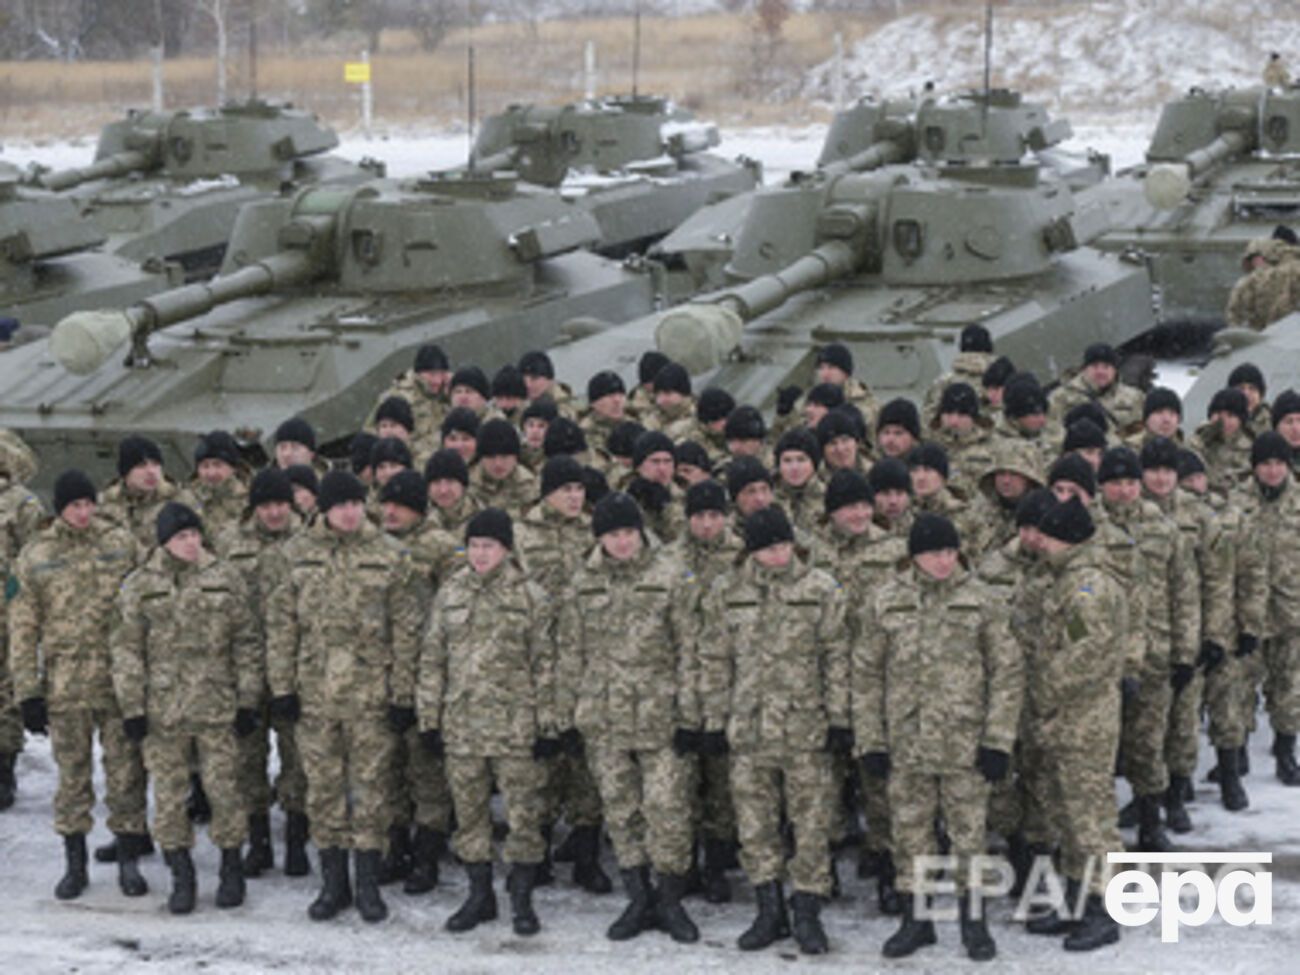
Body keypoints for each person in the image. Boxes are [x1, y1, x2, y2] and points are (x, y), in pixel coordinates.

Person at [857, 513, 1021, 961]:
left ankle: (974, 923)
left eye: (950, 552)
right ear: (914, 556)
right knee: (910, 833)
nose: (944, 561)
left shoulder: (982, 600)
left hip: (965, 744)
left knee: (969, 836)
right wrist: (871, 740)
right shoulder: (886, 601)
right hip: (907, 741)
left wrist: (998, 739)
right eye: (934, 553)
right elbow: (866, 674)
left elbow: (1006, 673)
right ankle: (917, 921)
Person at [265, 471, 427, 923]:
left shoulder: (391, 555)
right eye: (341, 505)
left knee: (372, 790)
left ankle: (368, 883)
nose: (350, 513)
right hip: (315, 695)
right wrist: (282, 688)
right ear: (324, 509)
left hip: (370, 695)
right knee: (323, 790)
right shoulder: (295, 554)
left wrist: (403, 694)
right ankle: (333, 883)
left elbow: (407, 631)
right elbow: (281, 627)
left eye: (356, 503)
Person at [700, 505, 849, 955]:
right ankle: (769, 909)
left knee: (812, 822)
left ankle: (807, 910)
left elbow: (837, 656)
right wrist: (713, 719)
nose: (779, 554)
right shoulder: (727, 591)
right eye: (768, 548)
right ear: (752, 550)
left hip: (806, 727)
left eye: (784, 545)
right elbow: (714, 659)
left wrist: (840, 718)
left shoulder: (821, 588)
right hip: (749, 727)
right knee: (755, 823)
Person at [556, 492, 701, 944]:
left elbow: (691, 648)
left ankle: (670, 898)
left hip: (661, 714)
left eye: (628, 533)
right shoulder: (583, 581)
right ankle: (638, 896)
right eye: (613, 534)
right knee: (621, 811)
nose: (622, 542)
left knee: (667, 808)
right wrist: (566, 716)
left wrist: (691, 715)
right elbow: (569, 652)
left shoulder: (672, 574)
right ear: (599, 537)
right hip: (604, 716)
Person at [111, 503, 261, 914]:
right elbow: (126, 650)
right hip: (165, 712)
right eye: (181, 536)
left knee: (225, 790)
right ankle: (182, 873)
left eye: (195, 534)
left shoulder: (224, 577)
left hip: (216, 706)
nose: (191, 543)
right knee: (170, 796)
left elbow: (246, 642)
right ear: (165, 542)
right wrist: (132, 707)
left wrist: (248, 699)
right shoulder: (140, 584)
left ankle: (231, 868)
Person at [8, 470, 147, 899]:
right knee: (72, 776)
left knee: (125, 773)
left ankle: (129, 860)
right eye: (74, 506)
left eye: (88, 504)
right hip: (65, 686)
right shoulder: (36, 555)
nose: (83, 513)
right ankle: (75, 863)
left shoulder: (120, 544)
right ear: (59, 509)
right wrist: (28, 692)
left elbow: (147, 602)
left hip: (117, 683)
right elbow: (22, 629)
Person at [418, 508, 556, 936]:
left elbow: (546, 664)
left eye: (489, 546)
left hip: (516, 728)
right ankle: (479, 895)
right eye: (474, 545)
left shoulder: (531, 596)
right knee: (470, 816)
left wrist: (548, 725)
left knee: (523, 816)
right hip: (462, 725)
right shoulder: (451, 593)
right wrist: (429, 719)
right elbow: (433, 659)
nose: (480, 554)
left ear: (506, 549)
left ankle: (522, 898)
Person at [1021, 497, 1126, 952]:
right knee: (1067, 816)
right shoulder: (1065, 579)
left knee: (1091, 819)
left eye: (1048, 535)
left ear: (1069, 539)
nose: (1040, 542)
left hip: (1084, 721)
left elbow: (1085, 656)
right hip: (1066, 719)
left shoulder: (1088, 589)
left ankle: (1103, 911)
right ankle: (1076, 899)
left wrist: (1041, 688)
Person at [515, 456, 612, 895]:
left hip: (586, 657)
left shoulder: (596, 531)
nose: (574, 497)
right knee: (538, 759)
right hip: (535, 658)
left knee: (584, 757)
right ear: (546, 492)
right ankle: (534, 853)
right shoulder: (521, 534)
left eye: (579, 489)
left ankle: (586, 854)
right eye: (565, 489)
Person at [215, 467, 310, 879]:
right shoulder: (228, 542)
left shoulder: (309, 542)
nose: (274, 513)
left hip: (295, 667)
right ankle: (258, 843)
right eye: (266, 505)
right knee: (247, 759)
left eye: (281, 505)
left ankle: (296, 840)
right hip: (245, 668)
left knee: (298, 758)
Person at [376, 470, 459, 893]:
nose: (391, 512)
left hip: (427, 672)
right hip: (382, 673)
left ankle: (427, 854)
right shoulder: (374, 546)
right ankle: (396, 847)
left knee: (427, 770)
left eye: (401, 505)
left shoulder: (443, 548)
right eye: (386, 504)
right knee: (388, 768)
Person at [0, 447, 45, 811]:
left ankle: (3, 767)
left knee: (5, 691)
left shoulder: (22, 504)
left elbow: (35, 559)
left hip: (6, 612)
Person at [99, 436, 198, 555]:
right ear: (126, 472)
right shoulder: (103, 505)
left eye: (156, 464)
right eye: (141, 465)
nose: (151, 472)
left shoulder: (181, 501)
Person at [1048, 344, 1144, 435]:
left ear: (1114, 370)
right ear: (1084, 369)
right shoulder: (1060, 398)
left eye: (1106, 367)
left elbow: (1143, 430)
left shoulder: (1134, 397)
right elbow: (1051, 432)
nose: (1100, 372)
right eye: (1094, 366)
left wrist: (1119, 441)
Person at [188, 431, 248, 534]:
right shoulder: (188, 499)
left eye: (218, 465)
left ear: (233, 468)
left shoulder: (247, 501)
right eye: (205, 466)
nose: (211, 473)